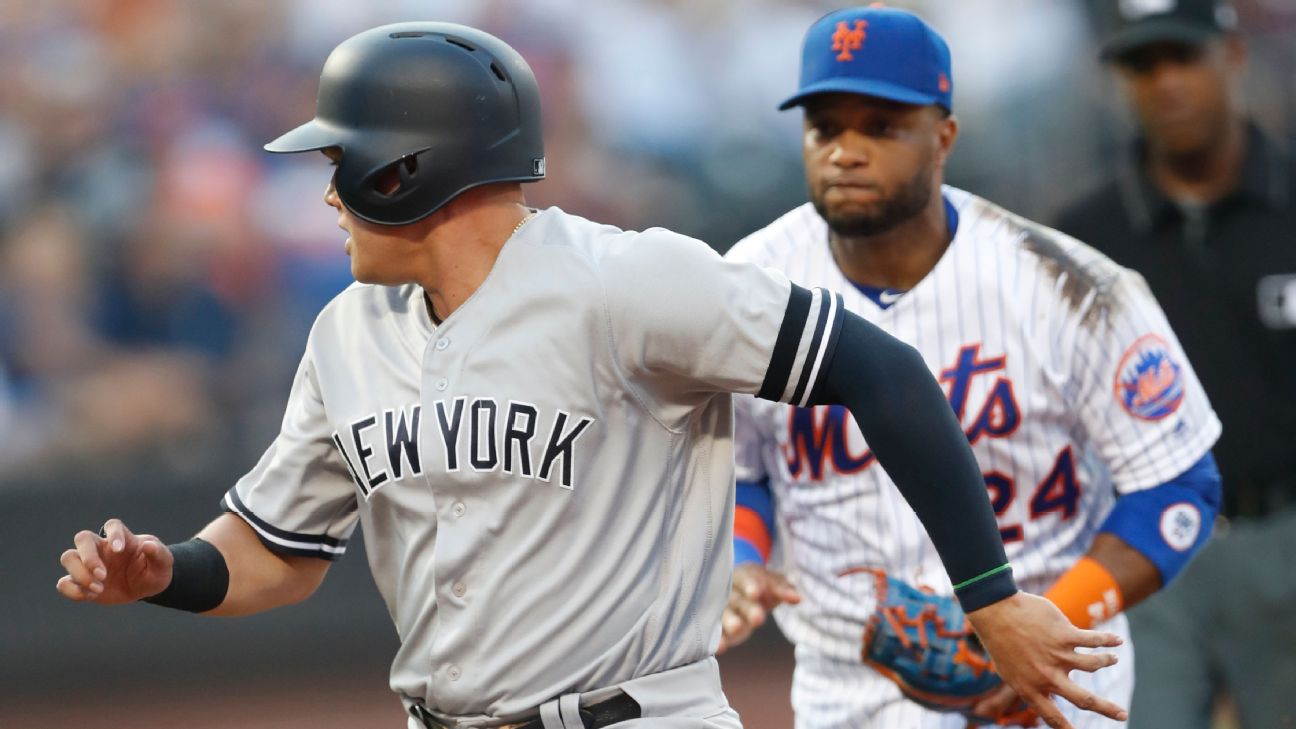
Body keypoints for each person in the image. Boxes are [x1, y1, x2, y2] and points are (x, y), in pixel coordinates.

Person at [55, 22, 1127, 729]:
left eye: (343, 164)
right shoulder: (345, 334)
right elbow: (277, 556)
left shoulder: (625, 282)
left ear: (409, 169)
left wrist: (989, 598)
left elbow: (882, 371)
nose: (327, 195)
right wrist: (171, 573)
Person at [717, 7, 1222, 729]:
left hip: (1049, 693)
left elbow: (1178, 484)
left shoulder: (1070, 287)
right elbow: (742, 468)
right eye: (825, 127)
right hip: (848, 693)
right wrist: (741, 552)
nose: (845, 152)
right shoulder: (748, 286)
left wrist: (1049, 623)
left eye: (881, 127)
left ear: (943, 137)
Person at [1055, 1, 1296, 726]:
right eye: (1140, 64)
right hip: (1143, 556)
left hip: (1284, 535)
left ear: (1231, 56)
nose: (1164, 83)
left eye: (1181, 57)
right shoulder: (1082, 239)